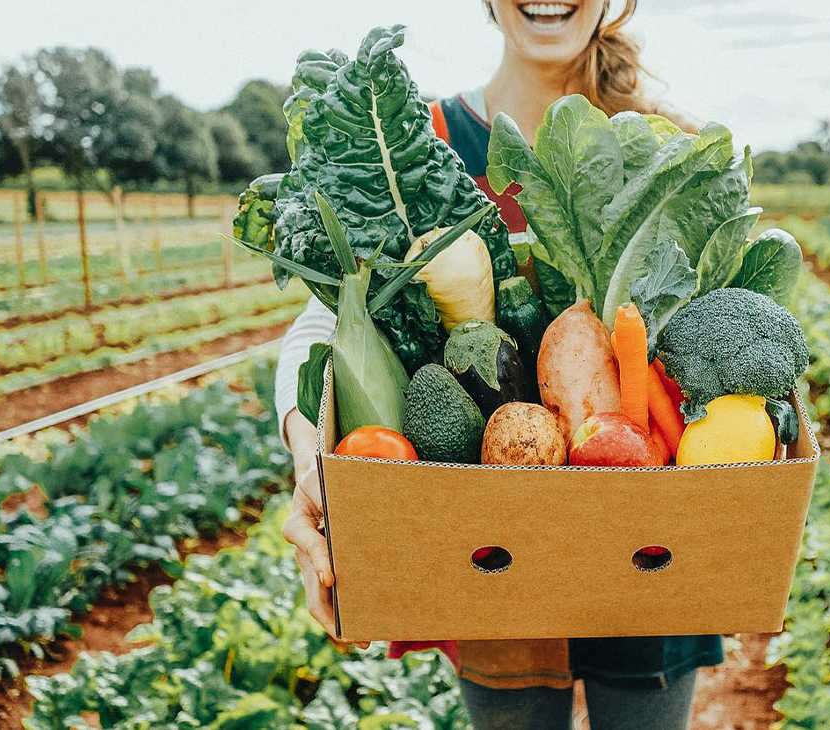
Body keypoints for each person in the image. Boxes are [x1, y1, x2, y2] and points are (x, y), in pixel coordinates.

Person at [278, 1, 715, 727]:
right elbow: (327, 321)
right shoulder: (418, 143)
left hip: (648, 559)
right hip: (487, 566)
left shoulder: (669, 145)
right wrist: (306, 459)